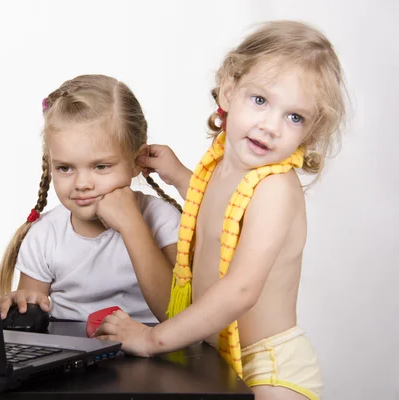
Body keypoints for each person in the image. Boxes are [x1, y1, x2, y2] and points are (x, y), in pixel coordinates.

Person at [94, 20, 347, 400]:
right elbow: (221, 208)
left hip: (268, 366)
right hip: (220, 356)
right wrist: (181, 176)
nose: (270, 126)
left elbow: (241, 289)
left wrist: (151, 339)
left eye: (294, 117)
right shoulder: (222, 165)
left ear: (309, 132)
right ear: (228, 91)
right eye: (260, 101)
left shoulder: (276, 188)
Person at [0, 74, 182, 324]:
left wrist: (132, 225)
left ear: (137, 162)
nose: (82, 184)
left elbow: (177, 314)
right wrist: (20, 304)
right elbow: (32, 319)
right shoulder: (45, 235)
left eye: (101, 167)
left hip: (155, 354)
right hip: (71, 357)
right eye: (65, 168)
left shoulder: (163, 220)